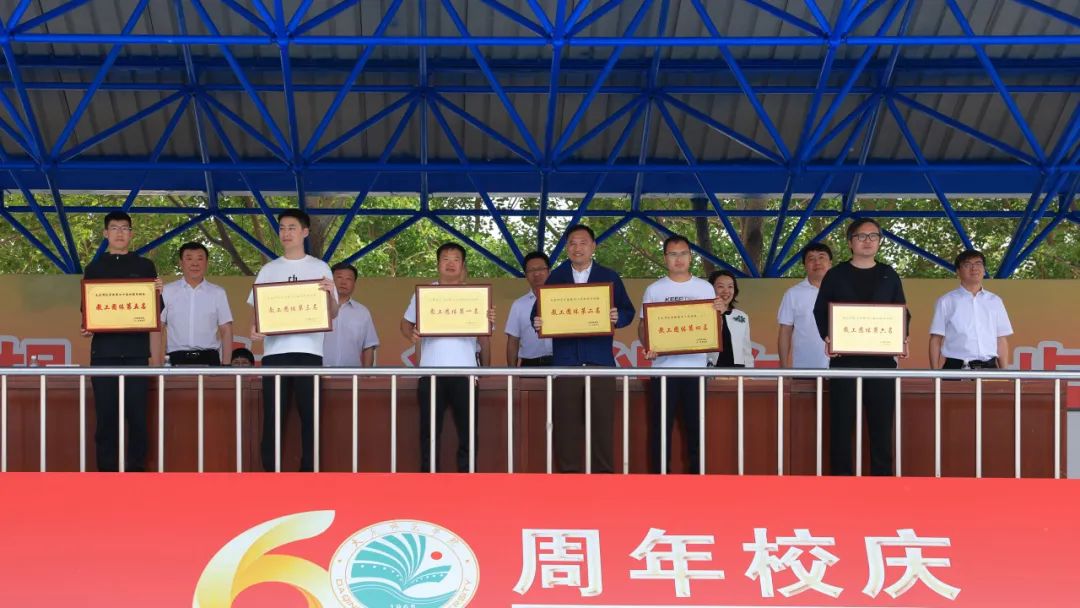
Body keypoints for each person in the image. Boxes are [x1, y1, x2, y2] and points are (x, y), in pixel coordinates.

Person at [532, 224, 635, 473]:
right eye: (572, 243)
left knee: (602, 429)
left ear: (593, 246)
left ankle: (603, 481)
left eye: (583, 243)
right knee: (566, 429)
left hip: (600, 364)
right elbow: (537, 313)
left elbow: (628, 311)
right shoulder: (555, 277)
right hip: (566, 365)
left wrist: (617, 317)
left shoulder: (609, 276)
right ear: (567, 248)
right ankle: (569, 481)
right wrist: (538, 322)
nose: (577, 248)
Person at [813, 218, 910, 476]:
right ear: (850, 242)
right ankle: (840, 481)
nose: (867, 241)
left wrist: (903, 337)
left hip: (882, 364)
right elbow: (820, 310)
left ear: (879, 242)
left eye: (873, 236)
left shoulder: (889, 274)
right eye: (861, 236)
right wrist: (828, 337)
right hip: (845, 361)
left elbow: (902, 312)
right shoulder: (836, 275)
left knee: (882, 427)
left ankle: (882, 482)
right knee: (841, 425)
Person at [248, 209, 338, 472]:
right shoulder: (269, 269)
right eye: (282, 228)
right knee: (273, 416)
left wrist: (331, 294)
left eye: (292, 228)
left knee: (310, 416)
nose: (286, 233)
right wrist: (254, 328)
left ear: (305, 232)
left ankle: (309, 473)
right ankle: (271, 473)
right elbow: (257, 311)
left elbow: (332, 313)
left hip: (309, 353)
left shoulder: (320, 268)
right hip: (275, 354)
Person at [400, 243, 494, 472]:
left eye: (456, 259)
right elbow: (405, 323)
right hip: (431, 373)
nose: (450, 263)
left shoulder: (476, 297)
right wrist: (411, 334)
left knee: (468, 432)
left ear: (463, 265)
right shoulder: (425, 294)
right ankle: (429, 478)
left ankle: (467, 478)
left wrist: (485, 368)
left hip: (466, 374)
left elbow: (484, 339)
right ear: (438, 264)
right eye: (445, 259)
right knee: (429, 431)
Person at [81, 211, 162, 472]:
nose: (119, 233)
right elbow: (87, 312)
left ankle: (136, 473)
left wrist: (157, 292)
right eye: (114, 228)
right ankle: (106, 475)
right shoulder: (94, 269)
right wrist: (87, 326)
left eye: (124, 228)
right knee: (106, 418)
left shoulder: (145, 267)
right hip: (104, 354)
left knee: (138, 418)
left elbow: (155, 312)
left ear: (131, 234)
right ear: (105, 233)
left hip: (137, 354)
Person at [639, 235, 721, 474]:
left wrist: (718, 315)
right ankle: (659, 479)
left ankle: (696, 480)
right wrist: (649, 345)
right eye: (673, 254)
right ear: (665, 258)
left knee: (696, 430)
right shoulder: (654, 289)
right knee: (660, 430)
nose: (678, 259)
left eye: (683, 253)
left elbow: (714, 326)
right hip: (663, 371)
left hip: (696, 371)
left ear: (690, 256)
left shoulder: (704, 288)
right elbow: (643, 326)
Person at [929, 249, 1013, 370]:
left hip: (989, 368)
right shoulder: (946, 301)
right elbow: (936, 339)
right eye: (967, 265)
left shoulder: (995, 301)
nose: (974, 268)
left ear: (984, 270)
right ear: (958, 271)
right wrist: (935, 374)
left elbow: (1000, 339)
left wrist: (1005, 373)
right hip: (956, 368)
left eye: (978, 264)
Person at [160, 242, 233, 366]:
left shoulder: (218, 293)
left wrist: (226, 365)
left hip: (209, 358)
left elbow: (226, 330)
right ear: (181, 263)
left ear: (207, 263)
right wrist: (156, 364)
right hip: (176, 358)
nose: (195, 264)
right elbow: (158, 329)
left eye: (200, 258)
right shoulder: (167, 291)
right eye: (189, 259)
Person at [777, 243, 832, 370]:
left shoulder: (843, 290)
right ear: (805, 265)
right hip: (805, 368)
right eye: (811, 259)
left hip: (841, 368)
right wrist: (784, 369)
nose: (817, 262)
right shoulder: (793, 294)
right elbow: (785, 332)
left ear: (830, 263)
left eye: (821, 257)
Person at [323, 262, 380, 367]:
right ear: (331, 280)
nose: (343, 282)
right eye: (339, 277)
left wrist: (366, 374)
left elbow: (368, 346)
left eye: (349, 279)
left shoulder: (362, 312)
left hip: (352, 374)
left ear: (354, 284)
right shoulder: (318, 308)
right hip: (318, 373)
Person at [505, 252, 553, 367]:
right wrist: (512, 372)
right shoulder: (518, 305)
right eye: (531, 270)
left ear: (549, 271)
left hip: (561, 362)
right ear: (526, 275)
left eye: (541, 268)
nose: (536, 273)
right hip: (530, 365)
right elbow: (513, 341)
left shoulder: (562, 300)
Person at [706, 270, 755, 368]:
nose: (726, 291)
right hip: (712, 367)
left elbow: (746, 349)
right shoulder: (703, 314)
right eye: (720, 286)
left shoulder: (742, 316)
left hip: (738, 369)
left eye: (730, 287)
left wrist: (749, 372)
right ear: (711, 289)